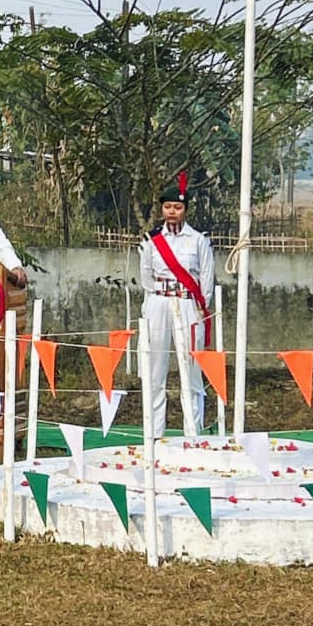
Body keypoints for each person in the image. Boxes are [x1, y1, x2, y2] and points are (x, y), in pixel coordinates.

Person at [140, 174, 215, 438]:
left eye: (177, 207)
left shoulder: (199, 240)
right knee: (154, 369)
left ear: (186, 209)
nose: (172, 211)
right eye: (167, 207)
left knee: (192, 368)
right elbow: (146, 276)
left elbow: (206, 279)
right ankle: (153, 433)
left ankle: (193, 433)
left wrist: (199, 309)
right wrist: (154, 303)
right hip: (158, 301)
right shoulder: (151, 240)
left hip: (187, 304)